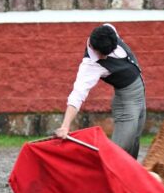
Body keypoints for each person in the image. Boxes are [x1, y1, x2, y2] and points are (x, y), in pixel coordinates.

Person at [55, 24, 146, 159]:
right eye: (103, 54)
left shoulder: (109, 29)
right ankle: (95, 176)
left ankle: (128, 178)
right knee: (119, 149)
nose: (104, 57)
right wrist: (65, 126)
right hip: (126, 102)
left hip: (140, 95)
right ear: (93, 47)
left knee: (134, 142)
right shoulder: (90, 65)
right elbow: (77, 94)